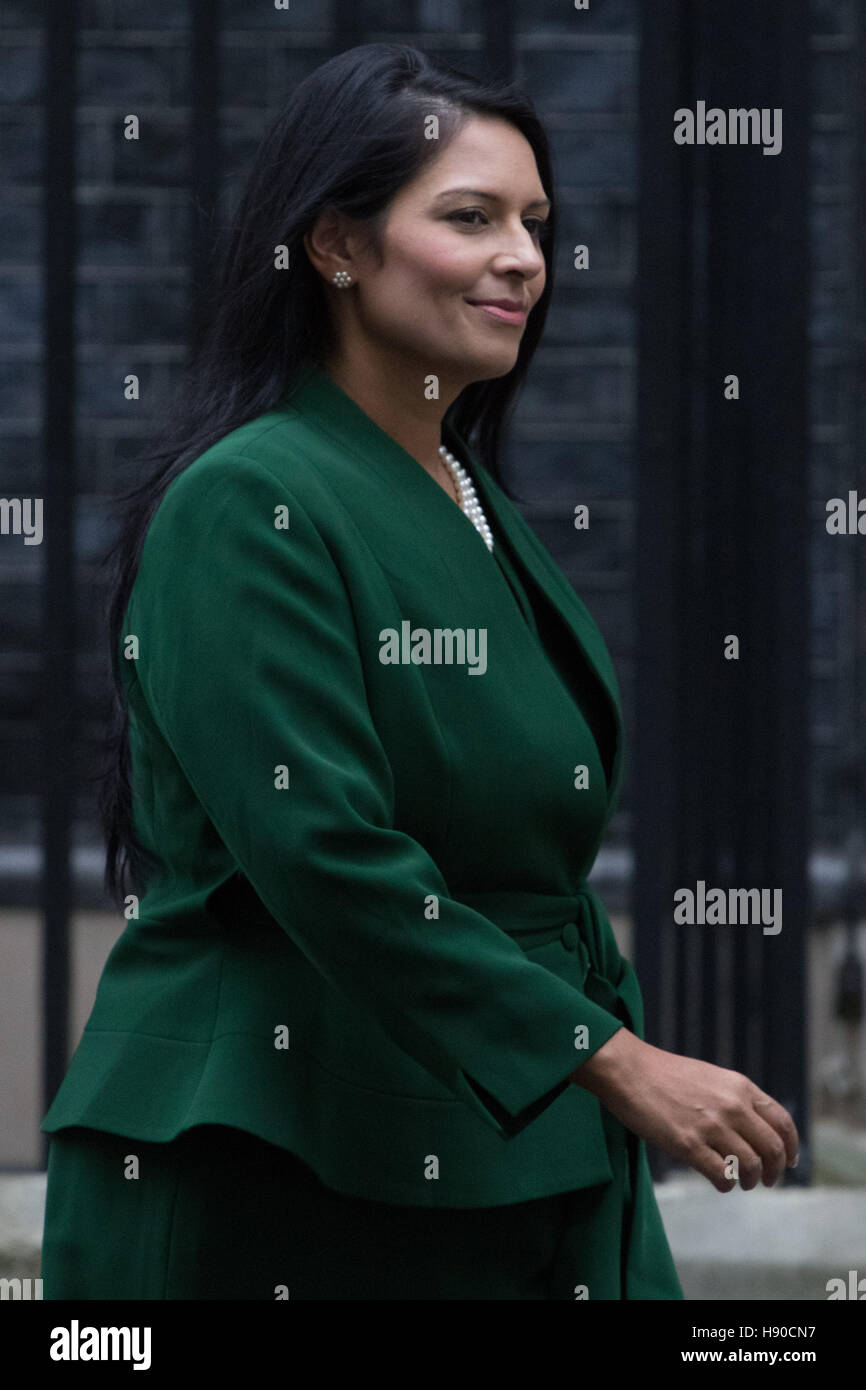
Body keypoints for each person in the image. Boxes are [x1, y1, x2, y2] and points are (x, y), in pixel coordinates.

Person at [40, 42, 798, 1301]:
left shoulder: (463, 496)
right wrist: (607, 1056)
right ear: (335, 246)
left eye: (535, 224)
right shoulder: (248, 501)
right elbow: (325, 854)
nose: (522, 257)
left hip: (500, 1142)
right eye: (470, 216)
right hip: (292, 1157)